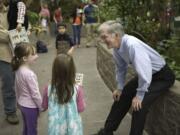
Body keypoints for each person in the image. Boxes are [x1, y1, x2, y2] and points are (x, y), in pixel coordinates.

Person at [96, 20, 175, 135]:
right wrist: (120, 88)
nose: (102, 40)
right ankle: (107, 131)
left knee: (139, 105)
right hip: (148, 75)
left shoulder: (132, 45)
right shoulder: (117, 46)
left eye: (104, 37)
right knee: (121, 96)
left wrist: (140, 95)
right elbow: (121, 69)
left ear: (116, 35)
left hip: (162, 76)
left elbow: (145, 72)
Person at [43, 54, 83, 135]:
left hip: (55, 129)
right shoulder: (77, 89)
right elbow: (81, 108)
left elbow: (44, 105)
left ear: (54, 71)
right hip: (72, 129)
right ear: (72, 71)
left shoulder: (48, 88)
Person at [11, 43, 43, 135]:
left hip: (22, 105)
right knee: (32, 130)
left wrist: (18, 101)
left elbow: (16, 88)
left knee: (26, 127)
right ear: (24, 58)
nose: (37, 56)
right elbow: (35, 94)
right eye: (33, 54)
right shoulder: (29, 74)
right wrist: (41, 107)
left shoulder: (18, 70)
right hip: (31, 107)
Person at [0, 0, 19, 124]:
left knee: (11, 83)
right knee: (8, 84)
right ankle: (10, 111)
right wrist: (17, 32)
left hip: (10, 54)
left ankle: (12, 109)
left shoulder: (11, 10)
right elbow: (3, 36)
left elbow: (22, 23)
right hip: (3, 53)